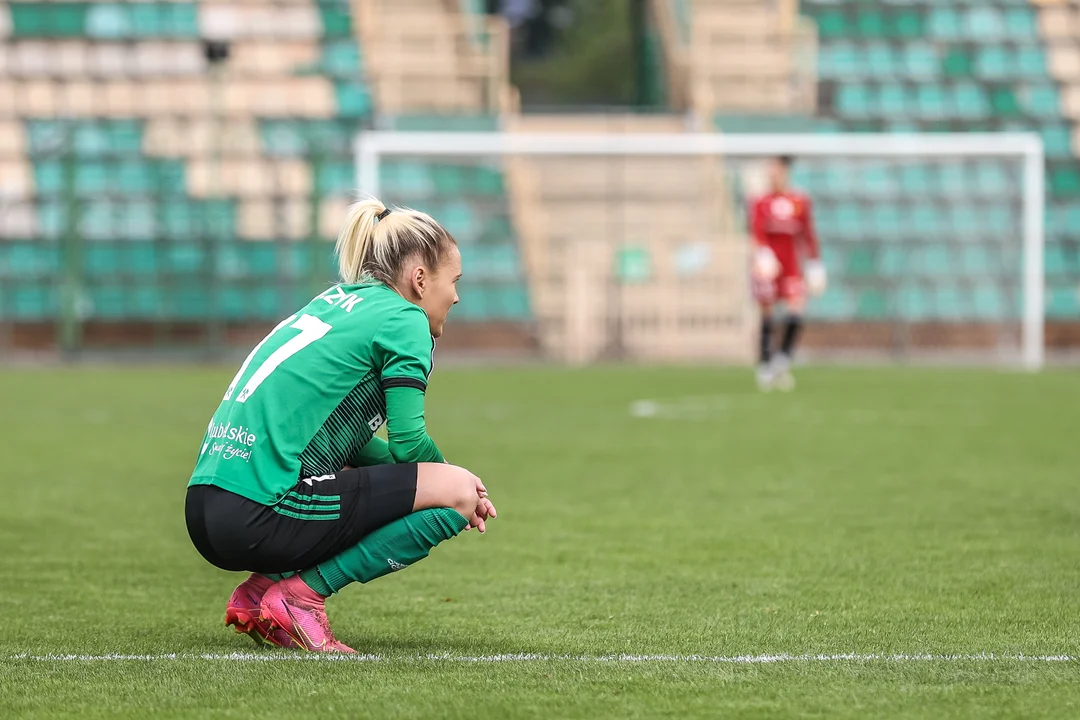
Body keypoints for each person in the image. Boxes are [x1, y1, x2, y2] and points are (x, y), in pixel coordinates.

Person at [184, 198, 497, 653]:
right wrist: (453, 480)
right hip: (259, 511)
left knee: (427, 484)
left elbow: (340, 437)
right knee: (458, 497)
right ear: (420, 279)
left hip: (206, 507)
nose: (456, 296)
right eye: (455, 281)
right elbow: (409, 445)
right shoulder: (406, 318)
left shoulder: (335, 302)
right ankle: (301, 598)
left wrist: (436, 475)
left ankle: (258, 593)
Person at [748, 155, 826, 391]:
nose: (772, 174)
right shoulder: (761, 202)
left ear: (784, 172)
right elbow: (756, 232)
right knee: (768, 313)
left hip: (791, 266)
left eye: (776, 169)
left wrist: (814, 263)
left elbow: (807, 234)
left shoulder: (798, 201)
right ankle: (765, 364)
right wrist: (761, 254)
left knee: (796, 309)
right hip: (769, 267)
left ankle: (782, 359)